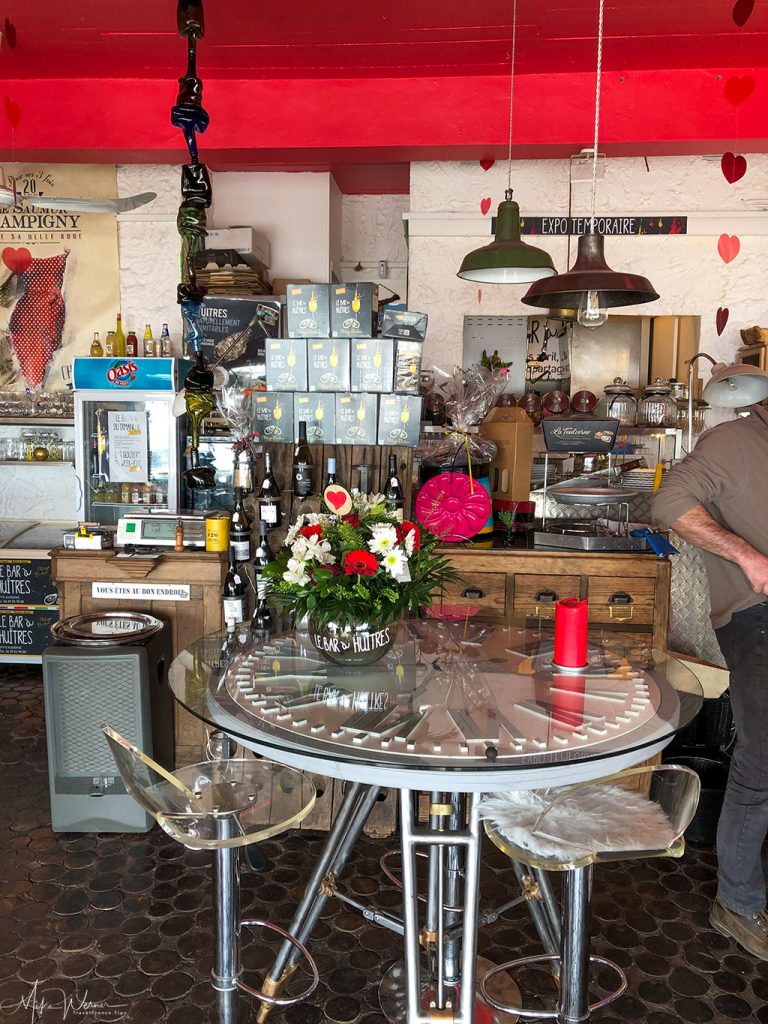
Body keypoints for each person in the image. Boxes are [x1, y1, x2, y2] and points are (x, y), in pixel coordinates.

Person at [652, 404, 768, 960]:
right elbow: (669, 501)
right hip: (759, 615)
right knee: (762, 759)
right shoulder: (737, 439)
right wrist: (749, 557)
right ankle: (738, 903)